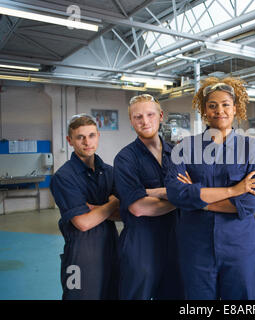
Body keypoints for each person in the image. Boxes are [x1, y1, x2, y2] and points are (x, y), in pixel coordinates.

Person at [165, 77, 255, 300]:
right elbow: (176, 194)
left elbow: (253, 202)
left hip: (240, 247)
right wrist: (234, 191)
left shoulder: (251, 147)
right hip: (196, 247)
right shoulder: (185, 148)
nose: (219, 110)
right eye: (212, 105)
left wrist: (198, 200)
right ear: (204, 110)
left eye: (225, 104)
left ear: (236, 108)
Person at [113, 94, 182, 300]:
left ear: (161, 116)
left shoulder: (178, 153)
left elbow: (191, 188)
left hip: (177, 239)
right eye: (138, 117)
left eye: (150, 114)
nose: (145, 121)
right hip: (141, 242)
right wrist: (180, 199)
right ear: (131, 121)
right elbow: (139, 208)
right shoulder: (125, 158)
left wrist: (154, 192)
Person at [50, 114, 120, 300]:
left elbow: (123, 214)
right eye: (80, 137)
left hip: (111, 250)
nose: (87, 142)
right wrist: (113, 202)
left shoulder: (109, 171)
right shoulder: (64, 177)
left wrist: (97, 209)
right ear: (69, 140)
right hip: (80, 256)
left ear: (98, 136)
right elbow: (83, 222)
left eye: (91, 135)